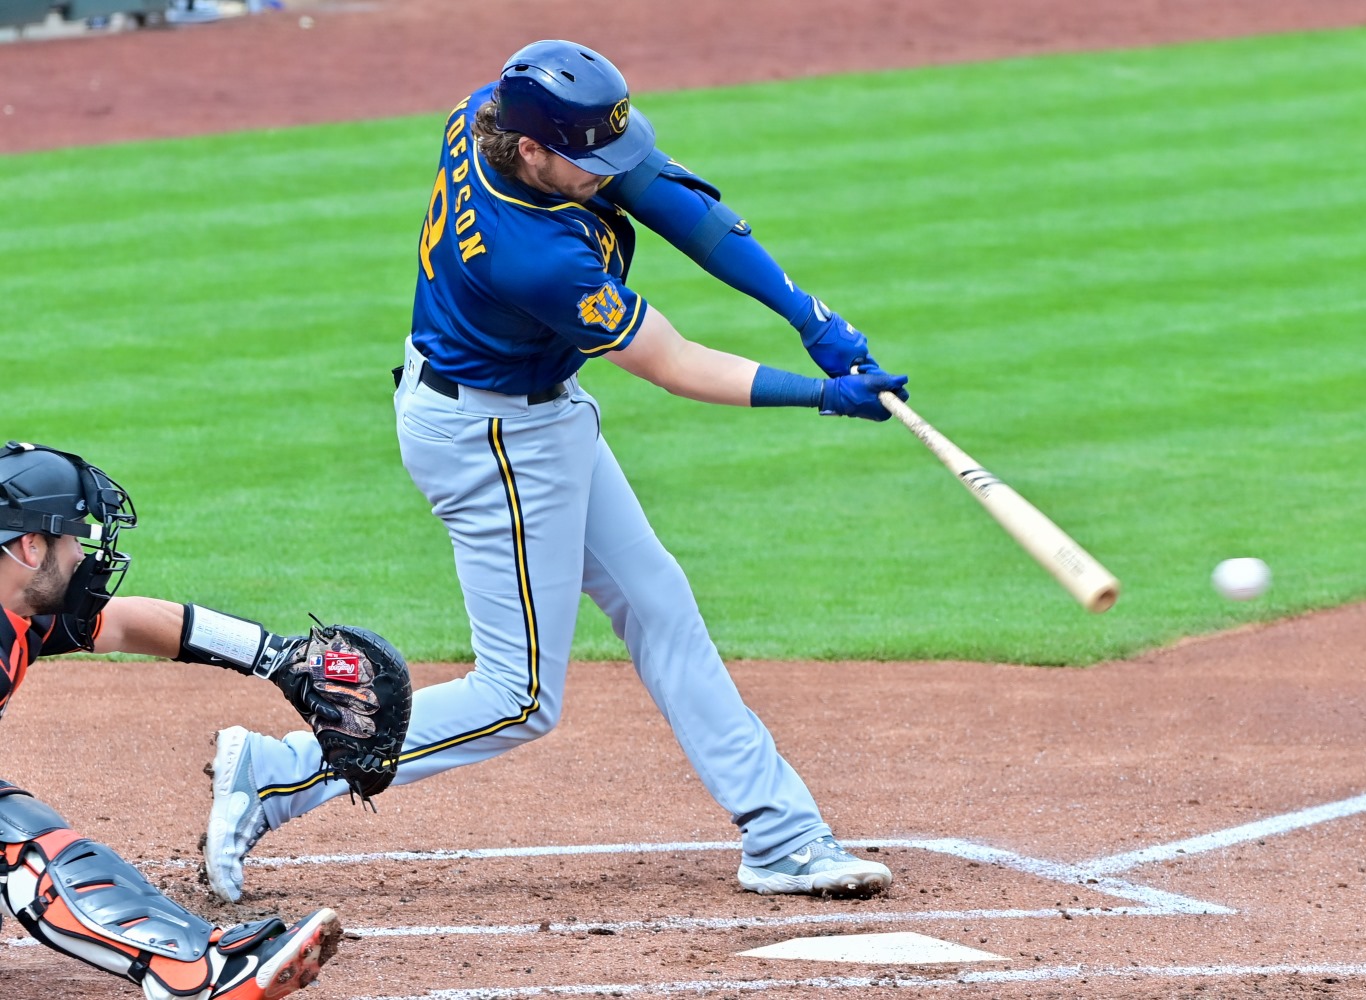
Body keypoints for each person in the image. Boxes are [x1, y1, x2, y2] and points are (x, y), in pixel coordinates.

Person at [203, 38, 907, 902]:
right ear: (533, 151)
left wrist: (808, 315)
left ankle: (782, 833)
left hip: (528, 415)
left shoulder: (491, 113)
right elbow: (673, 363)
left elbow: (674, 203)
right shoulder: (532, 256)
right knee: (518, 695)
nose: (605, 171)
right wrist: (821, 395)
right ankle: (275, 775)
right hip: (494, 442)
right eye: (587, 160)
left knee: (659, 605)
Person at [0, 441, 342, 1000]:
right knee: (15, 833)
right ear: (31, 546)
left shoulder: (18, 611)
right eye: (72, 539)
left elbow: (130, 622)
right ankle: (192, 973)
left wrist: (277, 658)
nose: (85, 558)